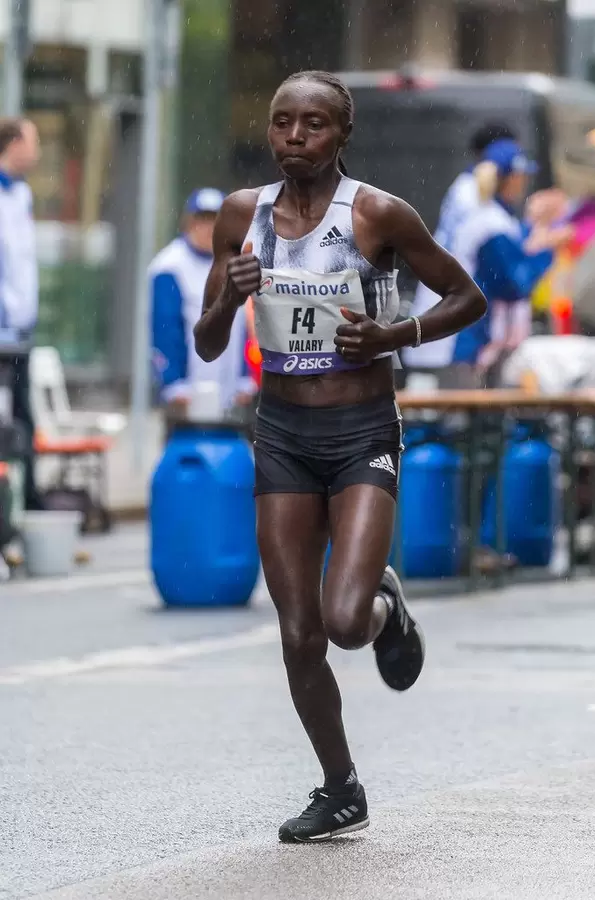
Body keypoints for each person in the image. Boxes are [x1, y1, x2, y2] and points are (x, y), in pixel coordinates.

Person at [194, 70, 486, 843]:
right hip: (283, 434)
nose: (295, 136)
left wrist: (394, 335)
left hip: (361, 432)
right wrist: (228, 295)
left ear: (342, 134)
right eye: (282, 122)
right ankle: (340, 787)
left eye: (314, 124)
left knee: (347, 622)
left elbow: (467, 297)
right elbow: (208, 342)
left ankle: (384, 602)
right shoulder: (241, 215)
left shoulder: (377, 214)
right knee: (300, 634)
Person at [403, 121, 516, 373]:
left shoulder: (463, 186)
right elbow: (510, 277)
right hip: (457, 323)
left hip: (437, 305)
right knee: (456, 391)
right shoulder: (482, 202)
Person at [150, 188, 257, 432]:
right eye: (202, 220)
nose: (208, 228)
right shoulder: (170, 266)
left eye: (215, 221)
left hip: (230, 393)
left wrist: (244, 377)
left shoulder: (236, 261)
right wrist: (173, 382)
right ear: (189, 222)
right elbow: (165, 329)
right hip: (186, 394)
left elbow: (242, 324)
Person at [450, 139, 544, 385]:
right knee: (468, 405)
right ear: (508, 179)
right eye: (520, 176)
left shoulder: (495, 216)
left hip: (475, 336)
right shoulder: (490, 222)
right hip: (472, 339)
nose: (524, 182)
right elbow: (514, 285)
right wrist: (545, 252)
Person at [0, 117, 42, 511]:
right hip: (2, 334)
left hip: (19, 335)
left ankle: (26, 500)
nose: (37, 152)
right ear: (14, 144)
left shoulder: (22, 194)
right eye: (33, 142)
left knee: (22, 420)